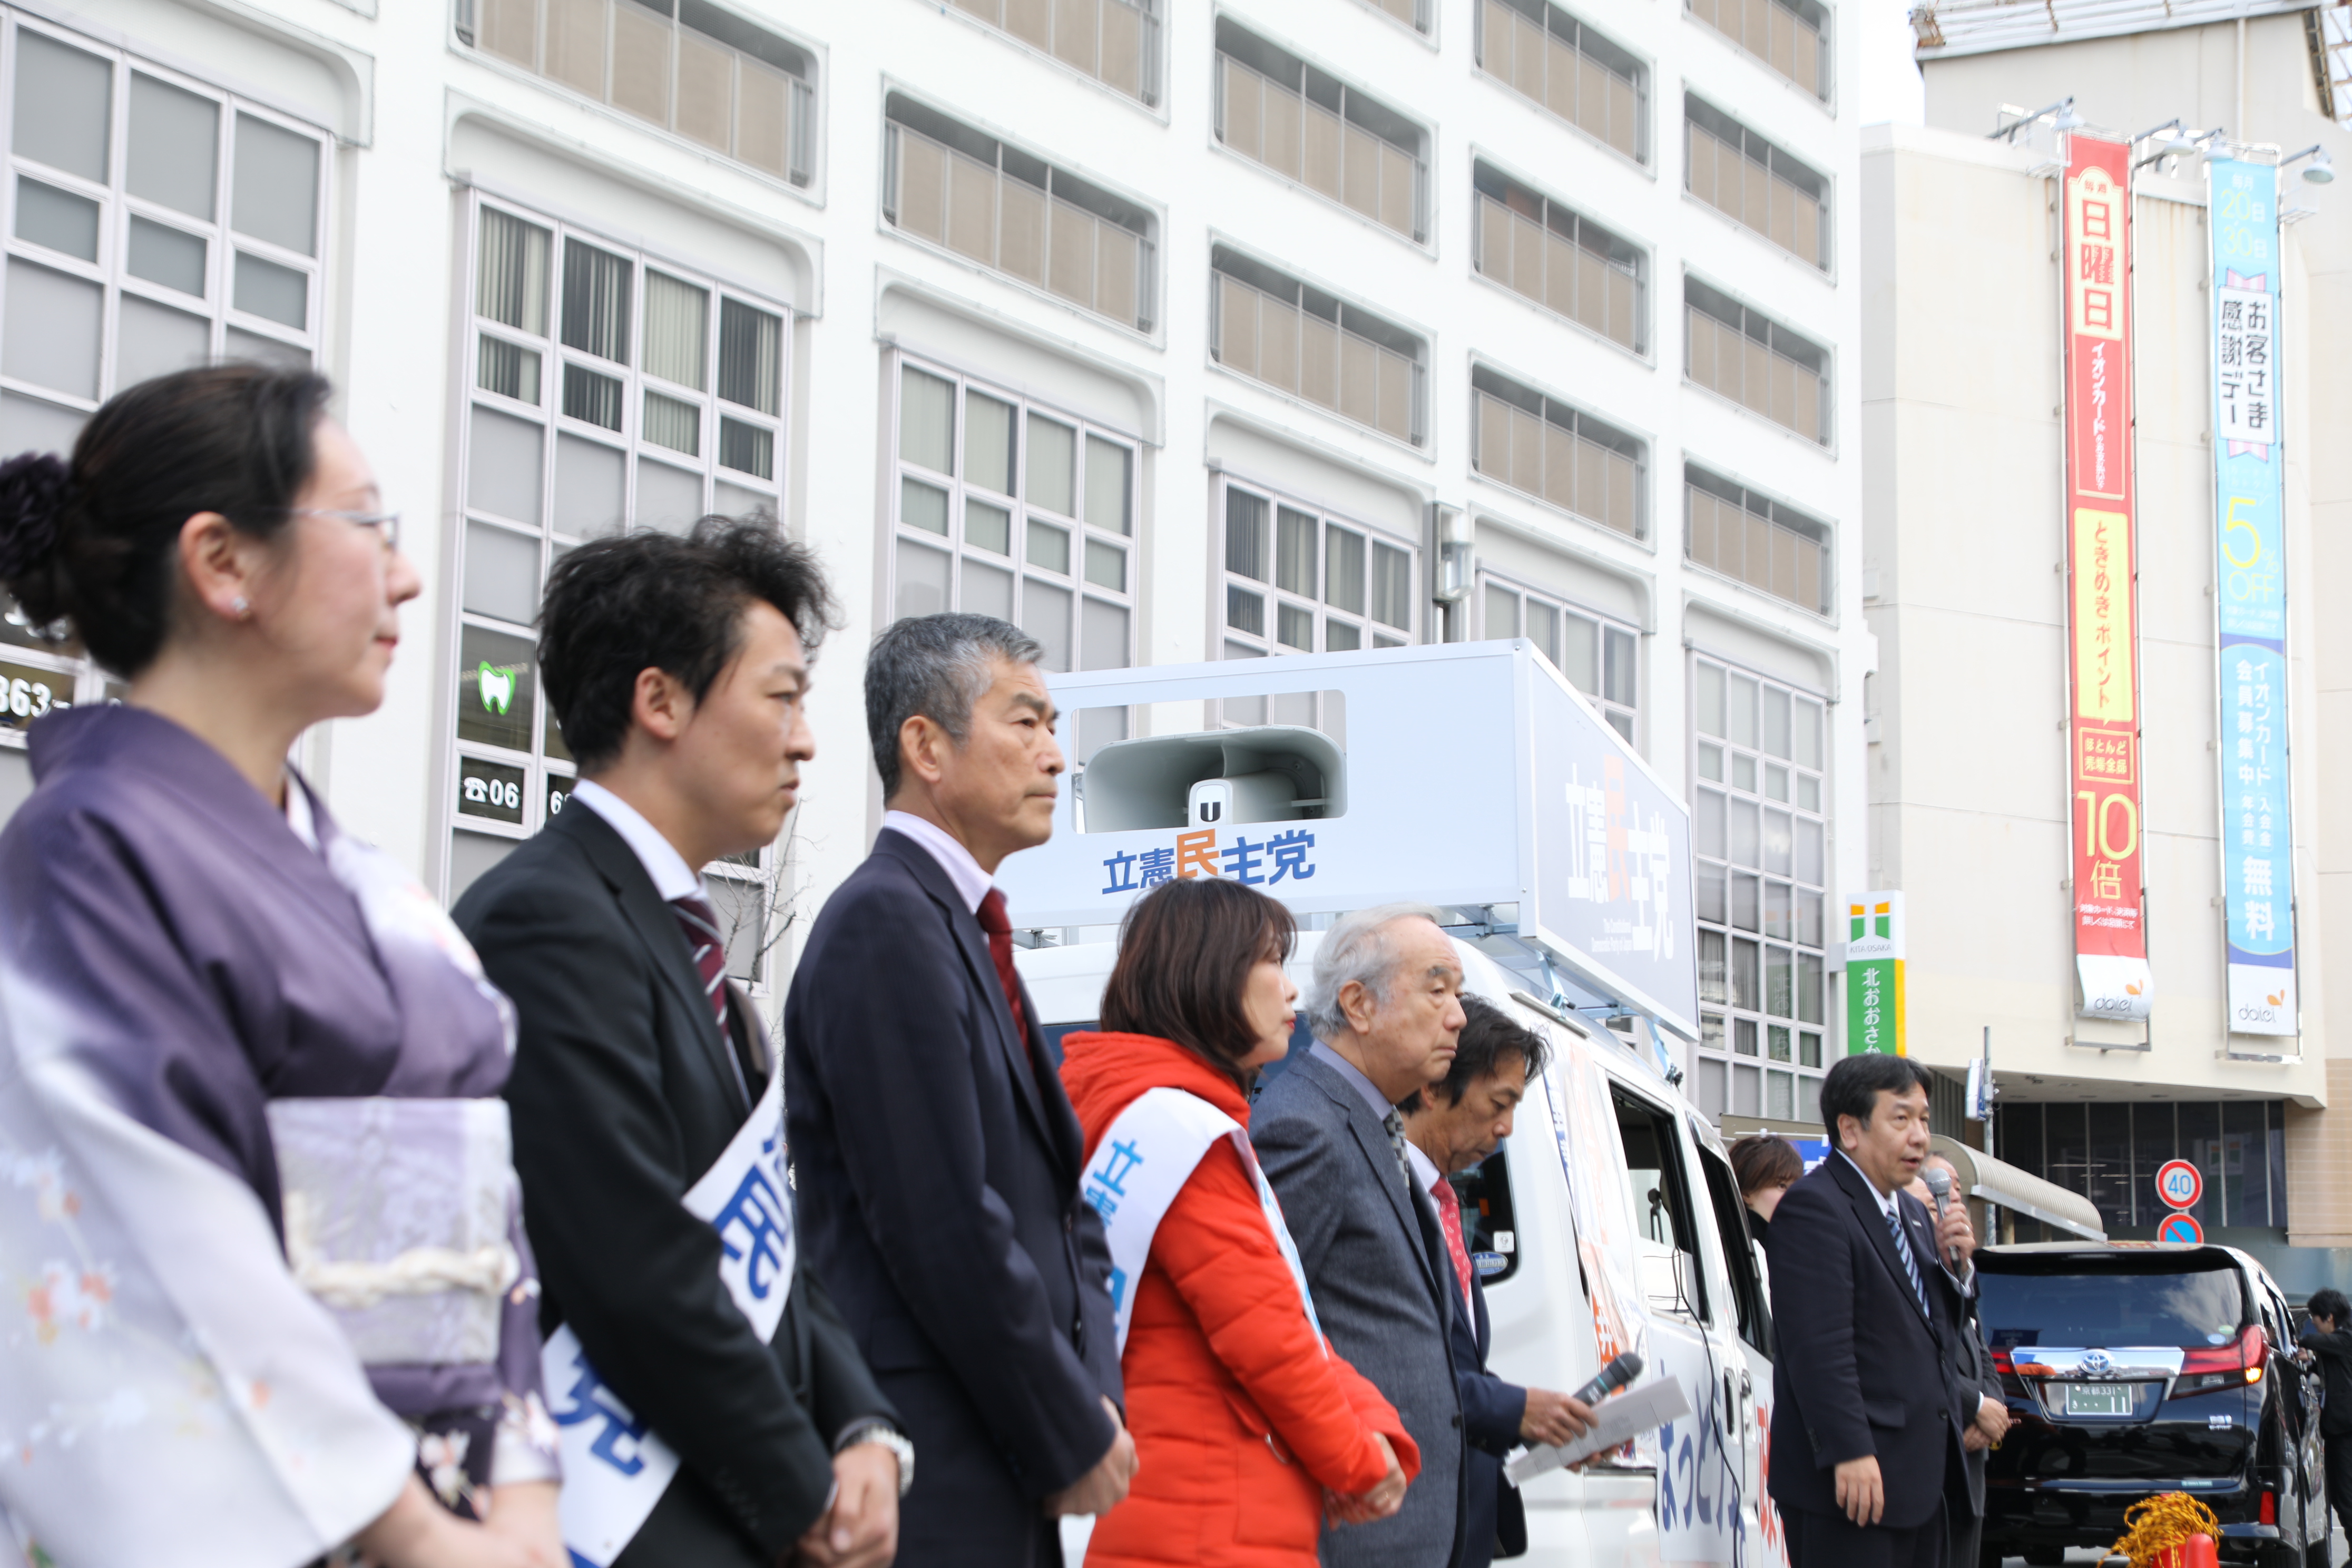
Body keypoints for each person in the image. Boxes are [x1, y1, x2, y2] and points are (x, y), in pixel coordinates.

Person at [0, 365, 562, 1566]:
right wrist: (405, 1526)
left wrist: (520, 1486)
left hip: (454, 1505)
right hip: (308, 1517)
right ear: (225, 563)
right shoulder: (84, 847)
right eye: (366, 524)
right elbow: (151, 1226)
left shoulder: (369, 882)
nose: (405, 574)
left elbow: (484, 1206)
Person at [455, 521, 905, 1568]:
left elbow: (769, 1237)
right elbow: (632, 1260)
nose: (805, 740)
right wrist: (805, 1493)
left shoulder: (679, 930)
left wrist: (862, 1428)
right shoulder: (546, 919)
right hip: (634, 1518)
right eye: (781, 697)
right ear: (660, 702)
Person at [784, 613, 1133, 1568]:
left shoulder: (970, 925)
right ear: (924, 745)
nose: (1056, 757)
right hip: (925, 1454)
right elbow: (939, 1219)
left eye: (1054, 726)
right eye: (1025, 723)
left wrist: (1092, 1397)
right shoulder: (885, 923)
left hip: (1002, 1444)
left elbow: (1068, 1214)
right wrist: (1069, 1424)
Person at [1058, 876, 1421, 1565]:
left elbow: (1286, 1324)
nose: (1291, 991)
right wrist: (1358, 1463)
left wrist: (1368, 1429)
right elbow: (1272, 1341)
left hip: (1158, 1508)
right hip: (1202, 1520)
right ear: (1207, 975)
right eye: (1271, 963)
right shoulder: (1180, 1131)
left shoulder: (1126, 1108)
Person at [1253, 902, 1471, 1568]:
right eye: (1438, 990)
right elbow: (1268, 1326)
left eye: (1458, 995)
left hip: (1398, 1522)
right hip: (1349, 1528)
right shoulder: (1304, 1128)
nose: (1458, 1016)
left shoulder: (1368, 1119)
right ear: (1358, 1004)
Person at [1398, 996, 1596, 1568]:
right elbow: (1393, 1366)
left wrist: (1543, 1423)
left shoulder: (1442, 1200)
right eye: (1499, 1103)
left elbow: (1456, 1365)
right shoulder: (1380, 1191)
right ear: (1434, 1085)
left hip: (1460, 1513)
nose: (1507, 1128)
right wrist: (1518, 1410)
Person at [1766, 1053, 1979, 1568]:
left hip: (1918, 1481)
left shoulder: (1909, 1209)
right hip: (1853, 1484)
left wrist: (1959, 1271)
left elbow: (1934, 1335)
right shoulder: (1816, 1206)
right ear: (1850, 1129)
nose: (1920, 1137)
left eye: (1924, 1120)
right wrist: (1849, 1450)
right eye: (1901, 1118)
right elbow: (1819, 1348)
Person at [1906, 1153, 2010, 1568]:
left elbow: (1980, 1351)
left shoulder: (1959, 1277)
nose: (1950, 1213)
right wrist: (1975, 1407)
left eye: (1954, 1198)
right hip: (1929, 1464)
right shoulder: (1904, 1275)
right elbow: (1917, 1356)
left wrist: (1993, 1410)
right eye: (1935, 1205)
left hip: (1971, 1472)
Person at [2302, 1289, 2352, 1543]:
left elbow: (2316, 1342)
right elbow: (2328, 1364)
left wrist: (2301, 1342)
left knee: (2346, 1497)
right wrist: (2310, 1361)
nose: (2313, 1322)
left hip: (2346, 1431)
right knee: (2341, 1496)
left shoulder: (2347, 1338)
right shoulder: (2338, 1342)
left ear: (2329, 1317)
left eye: (2315, 1318)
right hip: (2337, 1430)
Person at [1731, 1133, 1804, 1246]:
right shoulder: (1739, 1245)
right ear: (1747, 1192)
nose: (1792, 1196)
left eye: (1795, 1186)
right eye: (1782, 1186)